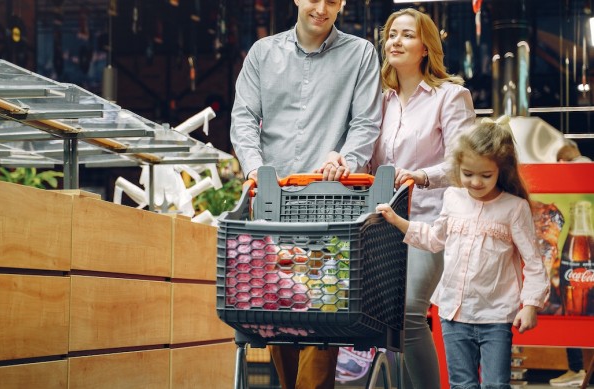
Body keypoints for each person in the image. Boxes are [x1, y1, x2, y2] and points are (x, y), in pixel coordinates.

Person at [230, 0, 383, 387]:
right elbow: (244, 117)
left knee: (321, 313)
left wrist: (345, 160)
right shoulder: (264, 53)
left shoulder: (360, 54)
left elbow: (366, 123)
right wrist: (253, 167)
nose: (322, 8)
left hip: (331, 206)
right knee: (277, 314)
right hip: (271, 204)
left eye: (332, 1)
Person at [376, 117, 550, 389]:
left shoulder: (514, 208)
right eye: (468, 174)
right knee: (462, 385)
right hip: (453, 316)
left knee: (495, 385)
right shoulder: (453, 198)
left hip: (496, 316)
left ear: (501, 170)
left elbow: (534, 263)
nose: (476, 182)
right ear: (458, 168)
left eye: (486, 175)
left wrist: (530, 305)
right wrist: (399, 222)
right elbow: (435, 239)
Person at [369, 8, 476, 389]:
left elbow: (465, 163)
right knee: (382, 319)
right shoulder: (378, 100)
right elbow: (367, 155)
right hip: (381, 222)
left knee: (410, 313)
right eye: (391, 34)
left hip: (431, 221)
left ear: (426, 47)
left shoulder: (451, 96)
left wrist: (422, 176)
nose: (396, 41)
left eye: (407, 35)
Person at [549, 141, 589, 387]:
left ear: (561, 162)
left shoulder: (569, 176)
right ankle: (578, 368)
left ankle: (576, 368)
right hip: (583, 252)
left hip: (576, 254)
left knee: (571, 304)